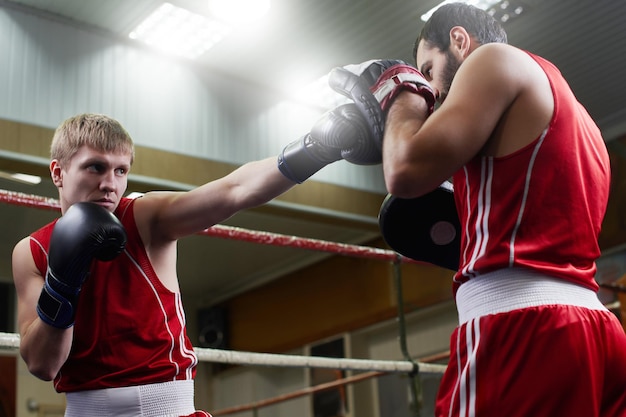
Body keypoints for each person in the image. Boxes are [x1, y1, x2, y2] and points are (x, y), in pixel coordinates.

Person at [11, 104, 381, 416]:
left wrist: (316, 147)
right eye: (96, 167)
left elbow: (233, 191)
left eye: (120, 170)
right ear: (58, 172)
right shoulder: (31, 251)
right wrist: (64, 281)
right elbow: (42, 365)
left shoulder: (145, 217)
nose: (110, 183)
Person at [364, 3, 626, 417]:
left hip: (520, 330)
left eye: (428, 71)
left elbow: (404, 171)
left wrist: (401, 91)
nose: (432, 91)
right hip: (597, 331)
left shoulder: (492, 60)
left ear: (459, 40)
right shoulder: (584, 124)